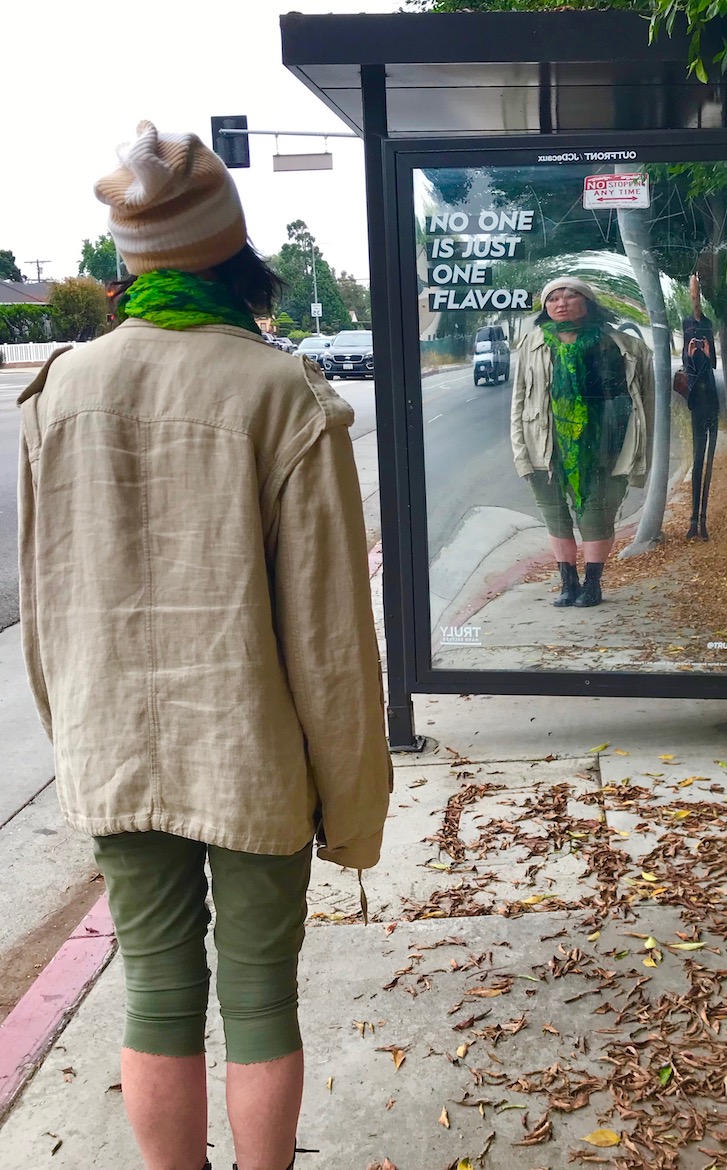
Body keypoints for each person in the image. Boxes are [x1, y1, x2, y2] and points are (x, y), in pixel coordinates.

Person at [17, 121, 392, 1170]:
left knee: (157, 986)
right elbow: (328, 640)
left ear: (124, 266)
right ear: (239, 257)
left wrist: (77, 739)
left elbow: (49, 606)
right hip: (252, 754)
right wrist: (351, 809)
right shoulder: (282, 396)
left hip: (116, 743)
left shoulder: (58, 394)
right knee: (262, 996)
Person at [510, 277, 654, 607]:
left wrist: (640, 450)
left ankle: (593, 584)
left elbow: (644, 402)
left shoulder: (621, 345)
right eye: (553, 299)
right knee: (555, 515)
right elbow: (519, 403)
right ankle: (567, 583)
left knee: (597, 516)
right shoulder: (532, 344)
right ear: (545, 308)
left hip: (602, 446)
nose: (561, 303)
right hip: (545, 445)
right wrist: (520, 452)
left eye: (570, 296)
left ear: (588, 302)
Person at [682, 273, 719, 540]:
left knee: (708, 462)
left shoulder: (707, 324)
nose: (694, 296)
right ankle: (694, 520)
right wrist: (691, 354)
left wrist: (705, 354)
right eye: (691, 291)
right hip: (696, 400)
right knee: (697, 461)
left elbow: (714, 362)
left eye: (697, 291)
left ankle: (704, 520)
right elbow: (686, 363)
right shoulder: (685, 324)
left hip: (711, 402)